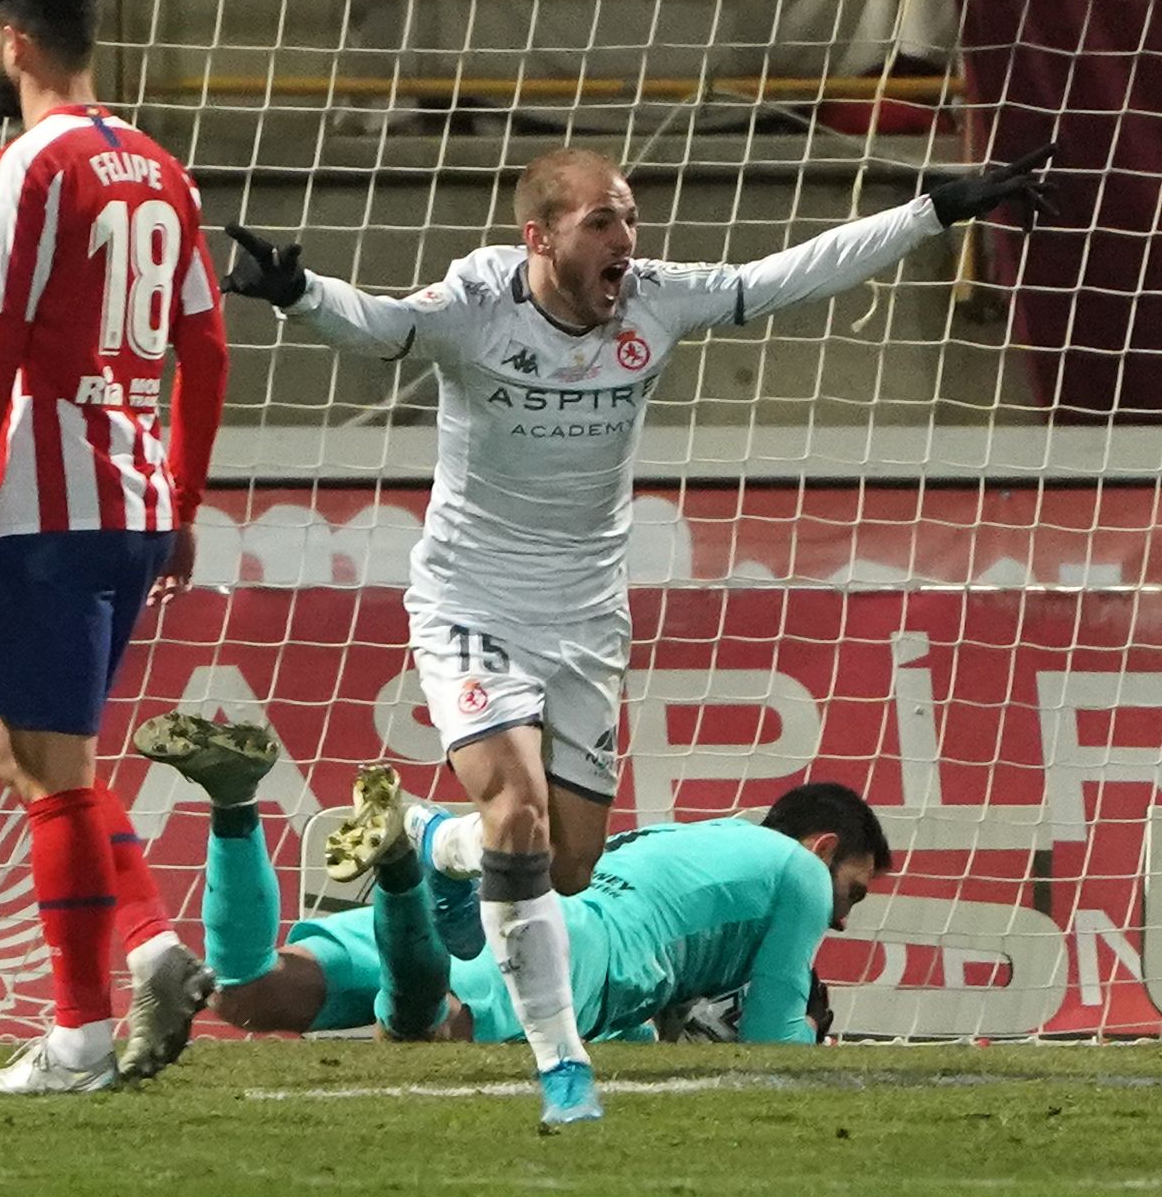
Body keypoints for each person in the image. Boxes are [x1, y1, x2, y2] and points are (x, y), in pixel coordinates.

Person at [220, 143, 1054, 1123]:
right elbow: (383, 327)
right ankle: (562, 1068)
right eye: (602, 223)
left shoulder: (655, 299)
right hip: (470, 601)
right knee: (520, 818)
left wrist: (935, 209)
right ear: (539, 238)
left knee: (563, 869)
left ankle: (430, 839)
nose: (627, 240)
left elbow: (785, 278)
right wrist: (299, 292)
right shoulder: (476, 299)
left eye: (628, 217)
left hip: (585, 621)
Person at [0, 0, 231, 1094]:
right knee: (24, 752)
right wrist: (183, 502)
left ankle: (95, 1013)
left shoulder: (25, 168)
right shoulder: (161, 165)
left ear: (12, 39)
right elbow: (206, 349)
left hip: (49, 501)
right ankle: (136, 966)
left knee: (48, 766)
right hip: (135, 498)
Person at [135, 714, 884, 1050]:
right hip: (577, 949)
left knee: (249, 993)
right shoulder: (799, 875)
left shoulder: (692, 844)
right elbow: (772, 1042)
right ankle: (406, 865)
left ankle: (235, 804)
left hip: (542, 913)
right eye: (851, 889)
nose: (841, 916)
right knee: (421, 1027)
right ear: (822, 849)